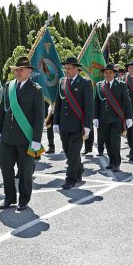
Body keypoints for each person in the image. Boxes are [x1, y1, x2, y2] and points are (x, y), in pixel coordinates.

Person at [0, 56, 44, 210]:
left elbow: (39, 117)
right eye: (16, 69)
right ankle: (9, 197)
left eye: (21, 69)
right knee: (5, 167)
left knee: (25, 171)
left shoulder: (36, 90)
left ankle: (24, 199)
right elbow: (2, 110)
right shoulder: (8, 86)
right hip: (8, 137)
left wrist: (36, 139)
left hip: (25, 138)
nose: (18, 72)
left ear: (29, 72)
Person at [52, 57, 93, 189]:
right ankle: (79, 169)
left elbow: (89, 106)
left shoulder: (85, 83)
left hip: (77, 125)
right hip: (64, 124)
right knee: (68, 151)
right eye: (65, 68)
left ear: (76, 69)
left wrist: (87, 125)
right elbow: (58, 103)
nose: (66, 70)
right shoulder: (62, 82)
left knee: (74, 153)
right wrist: (55, 122)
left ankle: (70, 179)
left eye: (69, 68)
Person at [93, 64, 132, 172]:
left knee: (115, 141)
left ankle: (117, 163)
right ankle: (111, 161)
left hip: (116, 118)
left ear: (114, 74)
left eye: (110, 73)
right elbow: (96, 102)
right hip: (103, 118)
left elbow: (127, 102)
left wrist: (129, 117)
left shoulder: (121, 85)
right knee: (107, 141)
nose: (108, 74)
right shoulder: (99, 85)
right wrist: (95, 117)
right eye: (106, 72)